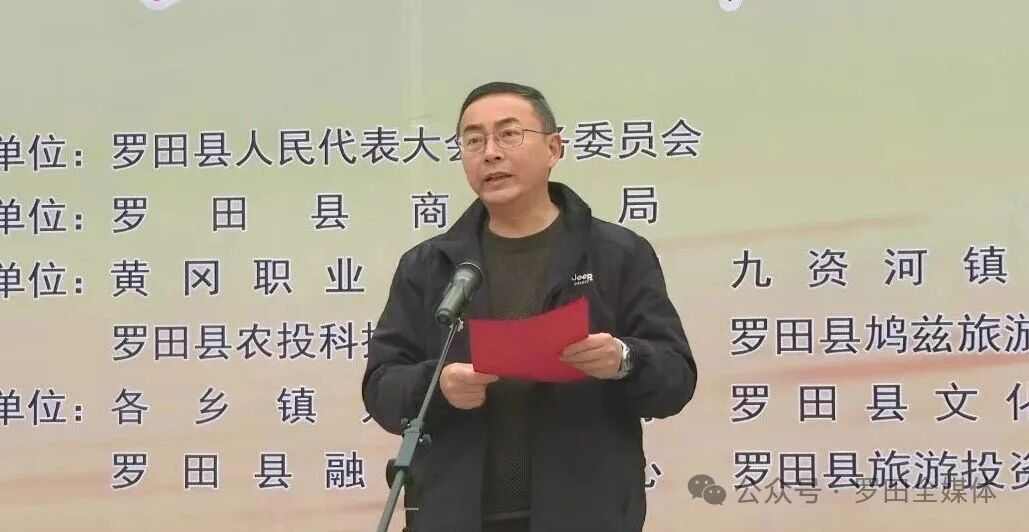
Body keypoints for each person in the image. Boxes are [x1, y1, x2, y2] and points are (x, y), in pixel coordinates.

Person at [362, 81, 697, 532]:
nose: (490, 153)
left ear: (554, 148)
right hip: (454, 516)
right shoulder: (429, 265)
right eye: (473, 140)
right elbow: (381, 385)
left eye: (509, 134)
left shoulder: (616, 253)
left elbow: (676, 377)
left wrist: (623, 359)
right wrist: (438, 386)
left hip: (584, 515)